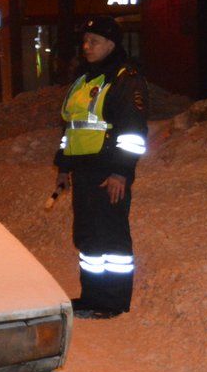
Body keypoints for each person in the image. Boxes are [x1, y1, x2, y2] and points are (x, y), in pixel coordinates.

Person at [54, 16, 149, 318]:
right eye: (85, 41)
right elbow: (73, 128)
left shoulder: (124, 78)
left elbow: (133, 132)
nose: (86, 46)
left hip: (108, 172)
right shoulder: (86, 79)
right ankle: (93, 296)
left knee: (111, 237)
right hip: (83, 171)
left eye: (93, 41)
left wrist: (122, 172)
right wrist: (62, 167)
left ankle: (112, 301)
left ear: (111, 44)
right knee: (88, 235)